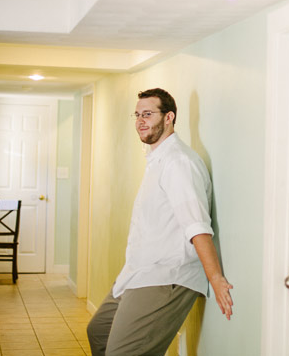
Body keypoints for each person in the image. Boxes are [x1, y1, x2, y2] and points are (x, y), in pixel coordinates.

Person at [87, 88, 233, 356]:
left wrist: (215, 278)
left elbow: (196, 224)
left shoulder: (178, 162)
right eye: (138, 114)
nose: (141, 120)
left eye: (148, 114)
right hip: (139, 271)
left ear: (169, 118)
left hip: (168, 277)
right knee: (98, 331)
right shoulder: (157, 159)